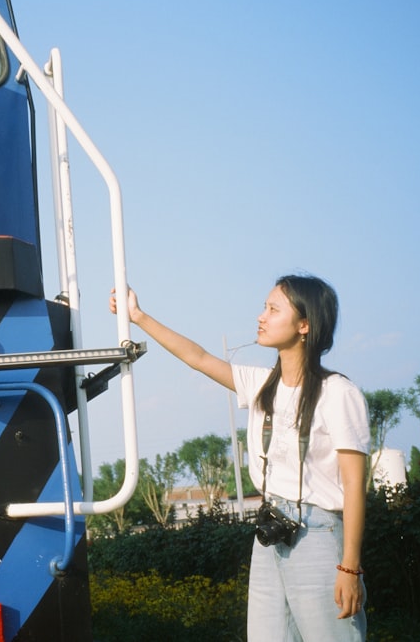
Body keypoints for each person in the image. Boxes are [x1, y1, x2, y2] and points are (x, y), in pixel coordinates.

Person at [110, 274, 369, 641]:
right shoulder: (263, 385)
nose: (261, 317)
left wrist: (350, 567)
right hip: (270, 530)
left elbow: (355, 486)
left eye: (273, 309)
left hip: (317, 534)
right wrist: (138, 316)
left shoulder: (338, 393)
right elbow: (197, 357)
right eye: (264, 307)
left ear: (304, 325)